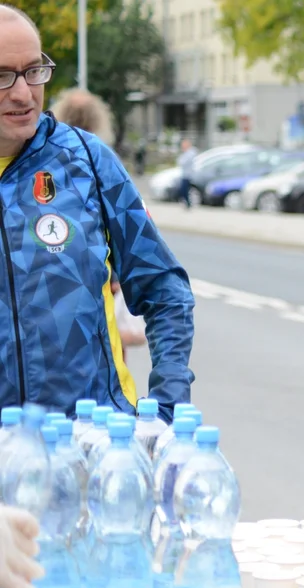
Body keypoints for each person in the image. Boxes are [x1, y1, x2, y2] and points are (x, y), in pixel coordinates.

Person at [0, 5, 195, 419]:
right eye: (2, 76)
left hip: (90, 445)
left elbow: (165, 290)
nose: (22, 93)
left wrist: (169, 409)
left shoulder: (88, 162)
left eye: (34, 71)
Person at [51, 87, 148, 361]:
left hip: (58, 286)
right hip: (105, 282)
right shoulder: (103, 162)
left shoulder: (47, 164)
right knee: (110, 360)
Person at [177, 138, 197, 209]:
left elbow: (182, 162)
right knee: (185, 190)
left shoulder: (190, 153)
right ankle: (188, 203)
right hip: (185, 174)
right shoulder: (186, 153)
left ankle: (189, 203)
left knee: (185, 190)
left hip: (188, 175)